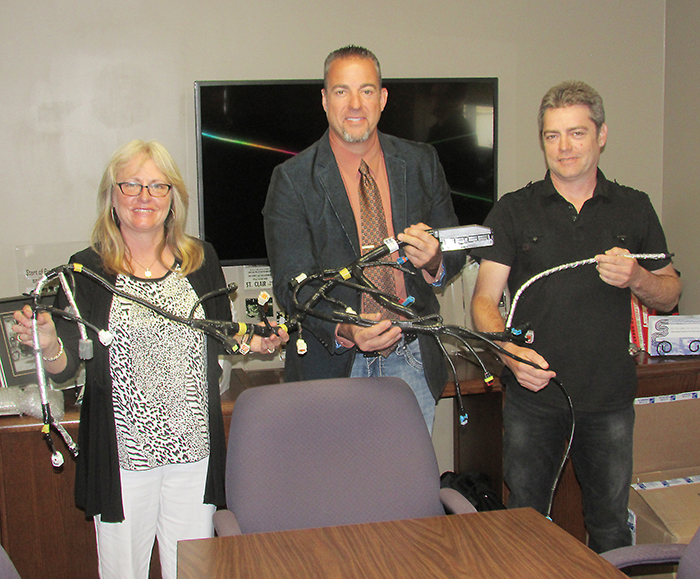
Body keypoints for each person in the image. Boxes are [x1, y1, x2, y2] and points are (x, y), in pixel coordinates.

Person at [12, 140, 287, 579]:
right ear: (112, 196)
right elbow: (66, 369)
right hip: (124, 461)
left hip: (193, 455)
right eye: (132, 185)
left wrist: (256, 343)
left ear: (173, 198)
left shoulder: (200, 260)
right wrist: (47, 344)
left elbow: (222, 337)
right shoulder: (87, 270)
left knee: (193, 571)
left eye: (158, 186)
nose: (145, 197)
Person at [470, 81, 682, 552]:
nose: (563, 147)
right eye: (552, 136)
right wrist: (508, 353)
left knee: (609, 528)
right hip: (533, 399)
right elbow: (484, 299)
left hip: (608, 402)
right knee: (523, 526)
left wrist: (637, 279)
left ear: (601, 134)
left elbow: (669, 292)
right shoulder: (512, 210)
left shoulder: (634, 206)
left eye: (577, 133)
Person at [263, 45, 466, 431]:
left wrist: (435, 260)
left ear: (383, 98)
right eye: (341, 91)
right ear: (324, 100)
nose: (355, 104)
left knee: (405, 488)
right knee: (338, 489)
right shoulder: (291, 180)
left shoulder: (422, 162)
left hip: (413, 362)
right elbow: (292, 285)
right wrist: (346, 329)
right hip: (335, 365)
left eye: (367, 91)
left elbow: (452, 250)